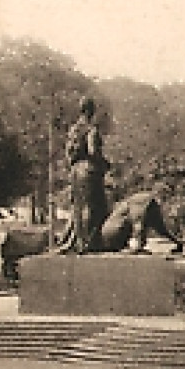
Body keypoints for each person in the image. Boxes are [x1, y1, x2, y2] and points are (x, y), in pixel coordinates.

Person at [60, 96, 110, 253]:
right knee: (92, 206)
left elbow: (68, 154)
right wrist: (104, 163)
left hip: (75, 171)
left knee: (77, 208)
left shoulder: (73, 130)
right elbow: (93, 151)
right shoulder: (91, 130)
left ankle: (77, 241)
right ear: (91, 111)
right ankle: (90, 243)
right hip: (89, 171)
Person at [99, 186, 185, 254]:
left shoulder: (143, 200)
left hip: (113, 236)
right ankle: (138, 246)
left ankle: (178, 243)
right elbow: (138, 224)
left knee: (157, 227)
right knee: (144, 224)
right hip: (111, 238)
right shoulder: (141, 200)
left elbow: (157, 228)